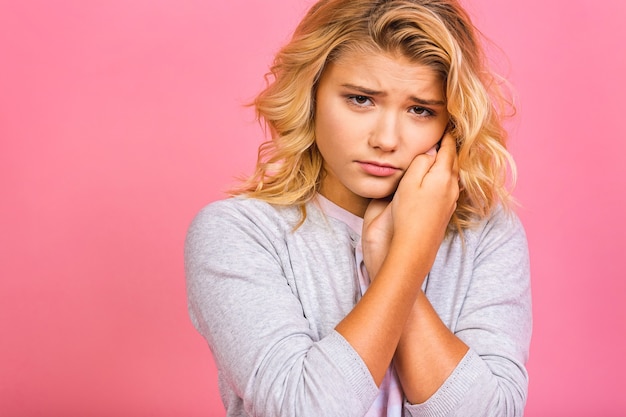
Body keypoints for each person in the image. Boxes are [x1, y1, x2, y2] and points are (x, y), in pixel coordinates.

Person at [184, 0, 532, 416]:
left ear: (451, 126)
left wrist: (391, 255)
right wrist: (407, 258)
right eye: (361, 99)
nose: (386, 138)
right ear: (312, 94)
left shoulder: (487, 233)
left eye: (420, 110)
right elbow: (304, 409)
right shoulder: (237, 233)